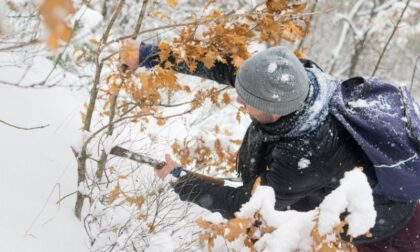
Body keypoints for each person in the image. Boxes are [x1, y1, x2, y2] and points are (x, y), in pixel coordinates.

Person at [120, 39, 420, 250]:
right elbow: (226, 69)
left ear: (274, 111)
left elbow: (249, 206)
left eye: (246, 101)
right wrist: (149, 54)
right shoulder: (291, 79)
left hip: (393, 227)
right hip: (362, 195)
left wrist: (181, 180)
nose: (238, 99)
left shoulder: (307, 154)